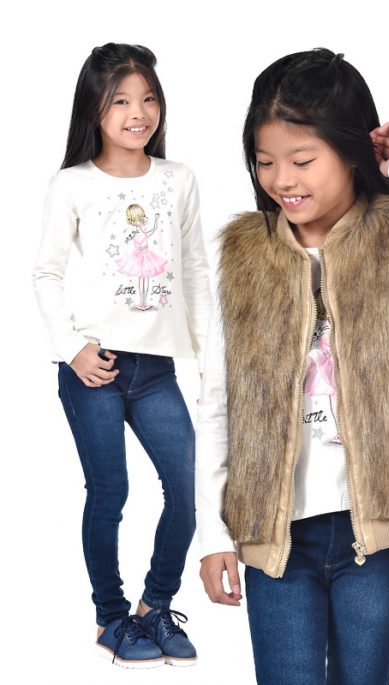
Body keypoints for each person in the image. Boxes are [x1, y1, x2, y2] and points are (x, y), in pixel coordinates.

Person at [196, 48, 389, 684]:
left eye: (302, 160)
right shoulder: (245, 257)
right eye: (265, 161)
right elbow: (217, 400)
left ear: (351, 152)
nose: (282, 179)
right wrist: (213, 535)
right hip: (276, 535)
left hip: (382, 528)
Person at [33, 42, 211, 668]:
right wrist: (72, 349)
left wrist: (209, 361)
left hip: (156, 370)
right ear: (95, 109)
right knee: (110, 492)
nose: (139, 113)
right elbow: (46, 274)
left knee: (186, 487)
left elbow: (194, 270)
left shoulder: (178, 179)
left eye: (148, 99)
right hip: (95, 368)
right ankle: (111, 618)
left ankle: (154, 606)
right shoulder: (72, 184)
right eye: (121, 102)